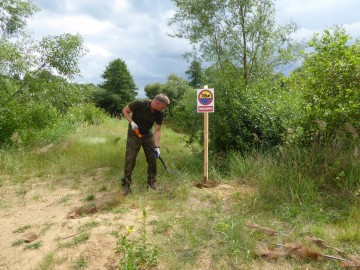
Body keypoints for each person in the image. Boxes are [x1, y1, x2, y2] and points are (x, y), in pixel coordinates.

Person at [120, 93, 170, 195]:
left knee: (152, 158)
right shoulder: (140, 103)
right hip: (134, 134)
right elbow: (125, 111)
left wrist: (157, 146)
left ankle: (152, 182)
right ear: (156, 102)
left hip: (148, 135)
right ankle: (126, 184)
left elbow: (158, 130)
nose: (163, 108)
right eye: (163, 106)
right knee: (130, 159)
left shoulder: (160, 112)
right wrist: (131, 122)